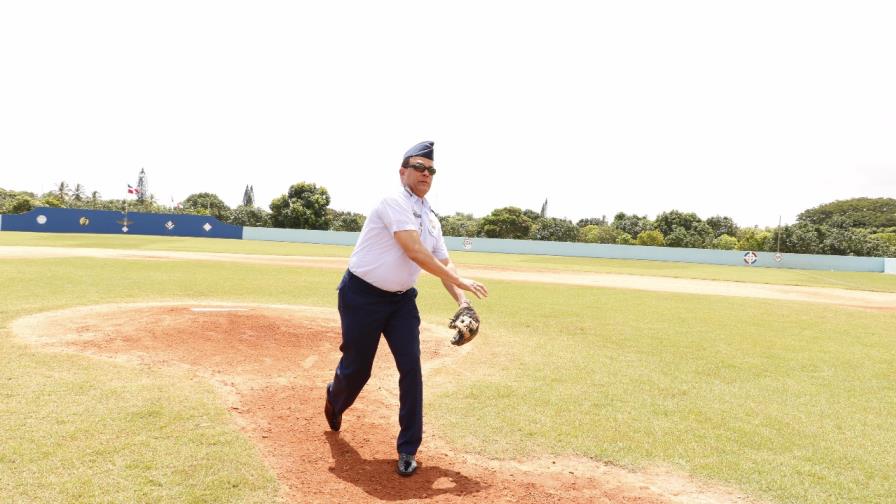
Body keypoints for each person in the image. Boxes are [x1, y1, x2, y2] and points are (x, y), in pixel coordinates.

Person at [324, 140, 489, 477]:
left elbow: (443, 261)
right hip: (361, 295)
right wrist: (465, 282)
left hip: (400, 301)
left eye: (431, 170)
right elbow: (414, 252)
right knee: (358, 368)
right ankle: (334, 399)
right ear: (403, 172)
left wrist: (463, 301)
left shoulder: (431, 218)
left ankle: (408, 448)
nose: (425, 173)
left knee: (411, 369)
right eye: (419, 167)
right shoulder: (392, 203)